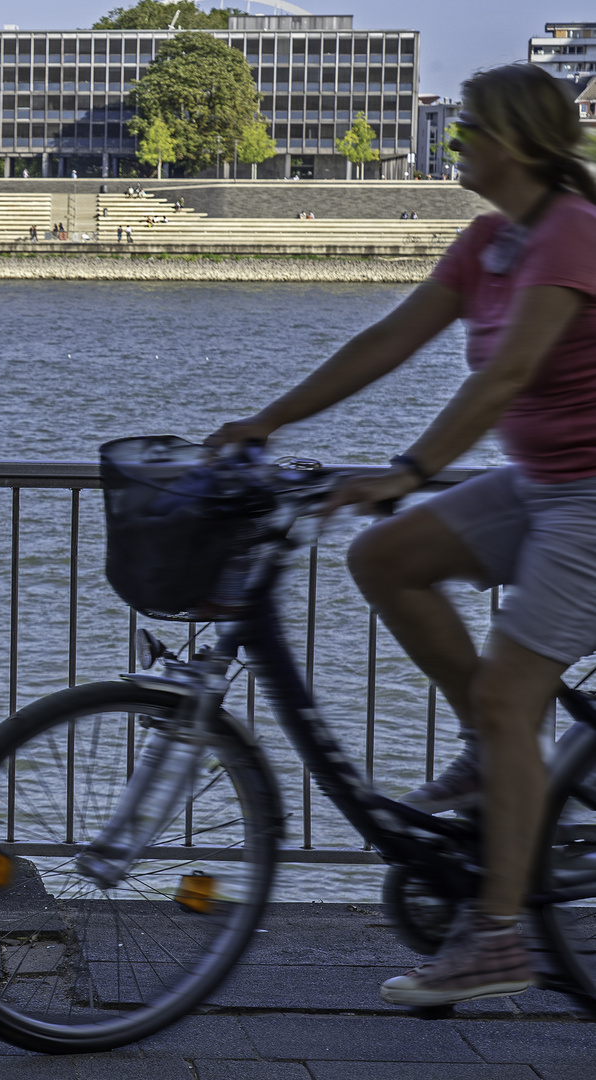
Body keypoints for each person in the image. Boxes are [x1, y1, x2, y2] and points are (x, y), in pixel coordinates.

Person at [208, 64, 596, 1007]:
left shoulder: (573, 235)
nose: (455, 138)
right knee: (387, 556)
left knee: (511, 695)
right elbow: (387, 341)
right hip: (543, 482)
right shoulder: (487, 241)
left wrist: (412, 471)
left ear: (516, 143)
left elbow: (503, 380)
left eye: (469, 127)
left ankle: (498, 940)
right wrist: (264, 422)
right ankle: (500, 753)